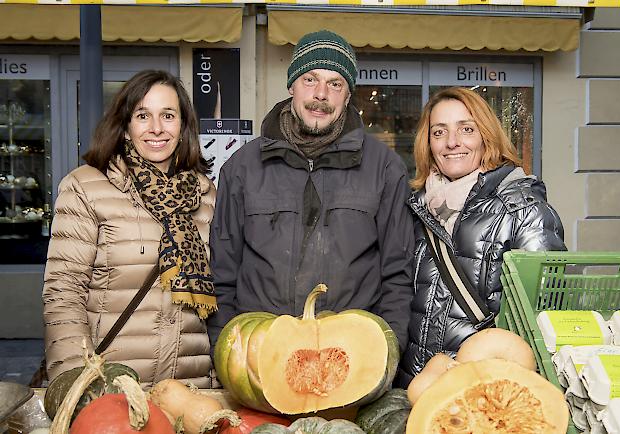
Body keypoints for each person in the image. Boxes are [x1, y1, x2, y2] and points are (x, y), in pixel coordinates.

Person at [207, 30, 414, 352]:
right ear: (291, 85)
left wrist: (389, 352)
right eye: (310, 79)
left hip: (351, 353)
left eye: (335, 84)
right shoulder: (242, 167)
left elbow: (398, 275)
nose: (321, 94)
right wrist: (227, 351)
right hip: (263, 352)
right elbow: (222, 273)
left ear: (348, 95)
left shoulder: (385, 168)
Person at [42, 70, 217, 389]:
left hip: (190, 390)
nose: (156, 128)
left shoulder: (205, 196)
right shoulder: (87, 188)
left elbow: (220, 296)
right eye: (143, 115)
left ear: (183, 126)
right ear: (125, 124)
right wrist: (76, 386)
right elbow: (64, 293)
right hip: (112, 389)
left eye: (168, 115)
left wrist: (220, 379)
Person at [395, 87, 566, 387]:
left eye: (466, 129)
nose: (452, 142)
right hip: (417, 387)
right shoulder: (417, 207)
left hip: (485, 392)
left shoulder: (524, 210)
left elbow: (546, 317)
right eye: (439, 132)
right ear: (428, 143)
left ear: (486, 135)